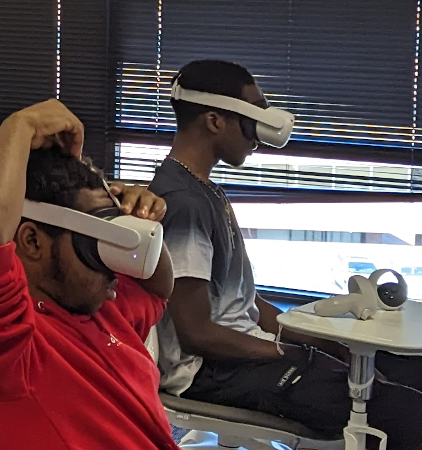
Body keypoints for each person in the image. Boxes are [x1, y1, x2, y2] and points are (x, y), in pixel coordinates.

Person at [152, 59, 422, 448]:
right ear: (214, 121)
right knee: (406, 413)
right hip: (212, 373)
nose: (258, 136)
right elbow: (196, 333)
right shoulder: (183, 202)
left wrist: (326, 344)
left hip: (237, 360)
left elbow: (246, 305)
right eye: (252, 118)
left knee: (401, 368)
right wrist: (290, 353)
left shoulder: (206, 192)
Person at [0, 99, 179, 449]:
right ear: (31, 241)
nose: (114, 273)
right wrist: (21, 124)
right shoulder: (0, 348)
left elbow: (157, 289)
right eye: (96, 246)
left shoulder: (98, 305)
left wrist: (139, 224)